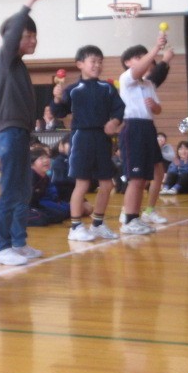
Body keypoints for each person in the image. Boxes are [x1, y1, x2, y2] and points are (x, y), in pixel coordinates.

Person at [0, 0, 52, 266]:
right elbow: (13, 32)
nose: (33, 40)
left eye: (34, 36)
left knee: (23, 190)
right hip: (9, 132)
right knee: (11, 190)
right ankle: (0, 248)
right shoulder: (5, 58)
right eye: (27, 35)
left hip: (20, 133)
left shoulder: (19, 66)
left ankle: (17, 242)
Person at [51, 45, 125, 242]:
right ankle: (75, 227)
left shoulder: (107, 88)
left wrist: (114, 122)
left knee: (107, 184)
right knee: (82, 183)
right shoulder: (72, 90)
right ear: (80, 64)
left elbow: (119, 109)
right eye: (93, 61)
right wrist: (56, 99)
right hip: (81, 138)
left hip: (102, 139)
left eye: (100, 62)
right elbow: (59, 112)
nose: (97, 65)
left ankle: (98, 224)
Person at [117, 38, 167, 235]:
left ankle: (135, 217)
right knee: (136, 178)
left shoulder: (148, 84)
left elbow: (158, 109)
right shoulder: (126, 78)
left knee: (145, 177)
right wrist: (156, 48)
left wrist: (154, 106)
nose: (143, 61)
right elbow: (139, 69)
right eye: (138, 58)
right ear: (128, 62)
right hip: (133, 127)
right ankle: (129, 220)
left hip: (148, 128)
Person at [29, 147, 74, 224]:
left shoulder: (45, 177)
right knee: (42, 218)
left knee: (62, 213)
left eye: (47, 157)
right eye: (41, 158)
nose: (46, 160)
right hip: (25, 207)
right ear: (32, 164)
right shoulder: (30, 177)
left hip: (37, 205)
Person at [50, 134, 75, 201]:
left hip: (73, 191)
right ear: (61, 145)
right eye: (70, 143)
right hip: (61, 193)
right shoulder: (59, 161)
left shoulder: (77, 160)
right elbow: (58, 181)